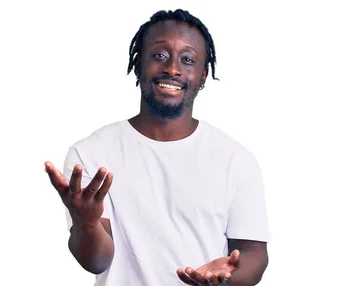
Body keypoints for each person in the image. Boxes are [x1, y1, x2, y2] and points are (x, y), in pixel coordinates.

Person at [44, 9, 270, 286]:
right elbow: (96, 261)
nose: (173, 69)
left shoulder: (235, 160)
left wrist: (224, 279)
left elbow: (254, 253)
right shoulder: (91, 153)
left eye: (187, 60)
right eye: (160, 55)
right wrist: (86, 224)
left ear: (203, 76)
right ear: (138, 65)